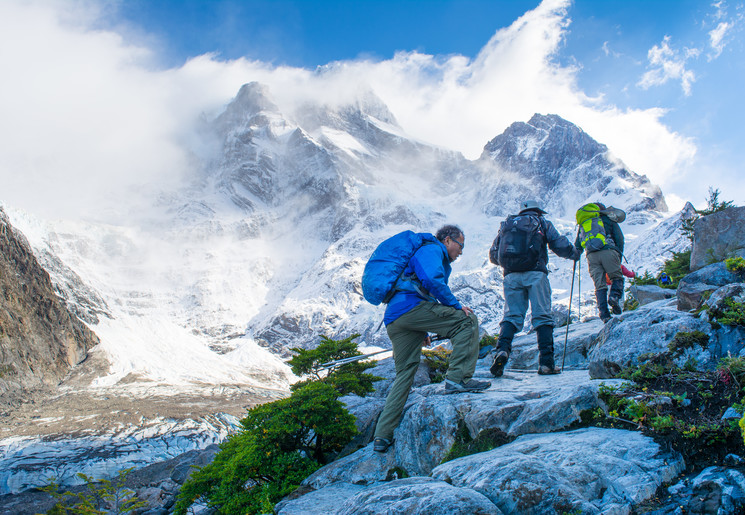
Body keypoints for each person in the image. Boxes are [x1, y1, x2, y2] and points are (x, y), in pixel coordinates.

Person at [373, 224, 488, 453]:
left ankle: (382, 436)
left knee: (405, 373)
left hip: (396, 318)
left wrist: (423, 330)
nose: (461, 252)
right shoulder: (433, 249)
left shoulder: (424, 252)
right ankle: (458, 379)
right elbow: (432, 281)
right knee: (466, 321)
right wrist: (456, 306)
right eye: (460, 245)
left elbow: (418, 288)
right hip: (411, 310)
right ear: (447, 240)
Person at [488, 200, 580, 377]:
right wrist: (574, 253)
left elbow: (493, 255)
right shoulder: (542, 223)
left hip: (511, 276)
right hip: (536, 274)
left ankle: (502, 350)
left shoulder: (507, 226)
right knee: (542, 316)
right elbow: (559, 244)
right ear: (538, 211)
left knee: (511, 316)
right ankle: (546, 364)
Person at [575, 202, 625, 323]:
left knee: (599, 285)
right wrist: (618, 254)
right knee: (616, 277)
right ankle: (614, 297)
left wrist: (576, 255)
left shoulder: (585, 222)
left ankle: (604, 314)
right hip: (608, 251)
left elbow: (578, 244)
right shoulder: (608, 219)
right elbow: (619, 238)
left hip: (591, 255)